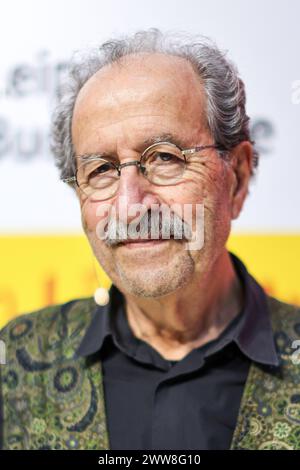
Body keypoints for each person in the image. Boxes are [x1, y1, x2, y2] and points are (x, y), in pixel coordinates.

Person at [0, 29, 299, 451]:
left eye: (164, 157)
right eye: (101, 169)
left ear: (238, 177)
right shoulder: (17, 359)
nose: (129, 206)